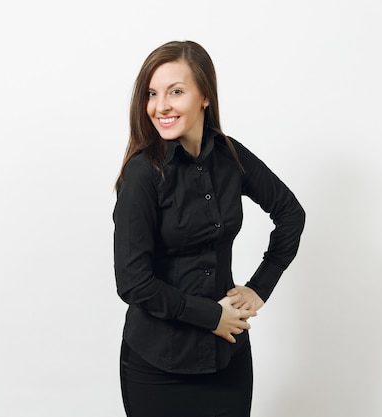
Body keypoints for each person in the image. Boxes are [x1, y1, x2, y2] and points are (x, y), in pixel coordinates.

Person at [112, 40, 306, 417]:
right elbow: (133, 282)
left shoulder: (229, 156)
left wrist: (260, 287)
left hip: (228, 359)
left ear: (204, 96)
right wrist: (210, 315)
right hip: (158, 364)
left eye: (176, 91)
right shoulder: (142, 174)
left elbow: (290, 213)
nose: (160, 105)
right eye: (152, 94)